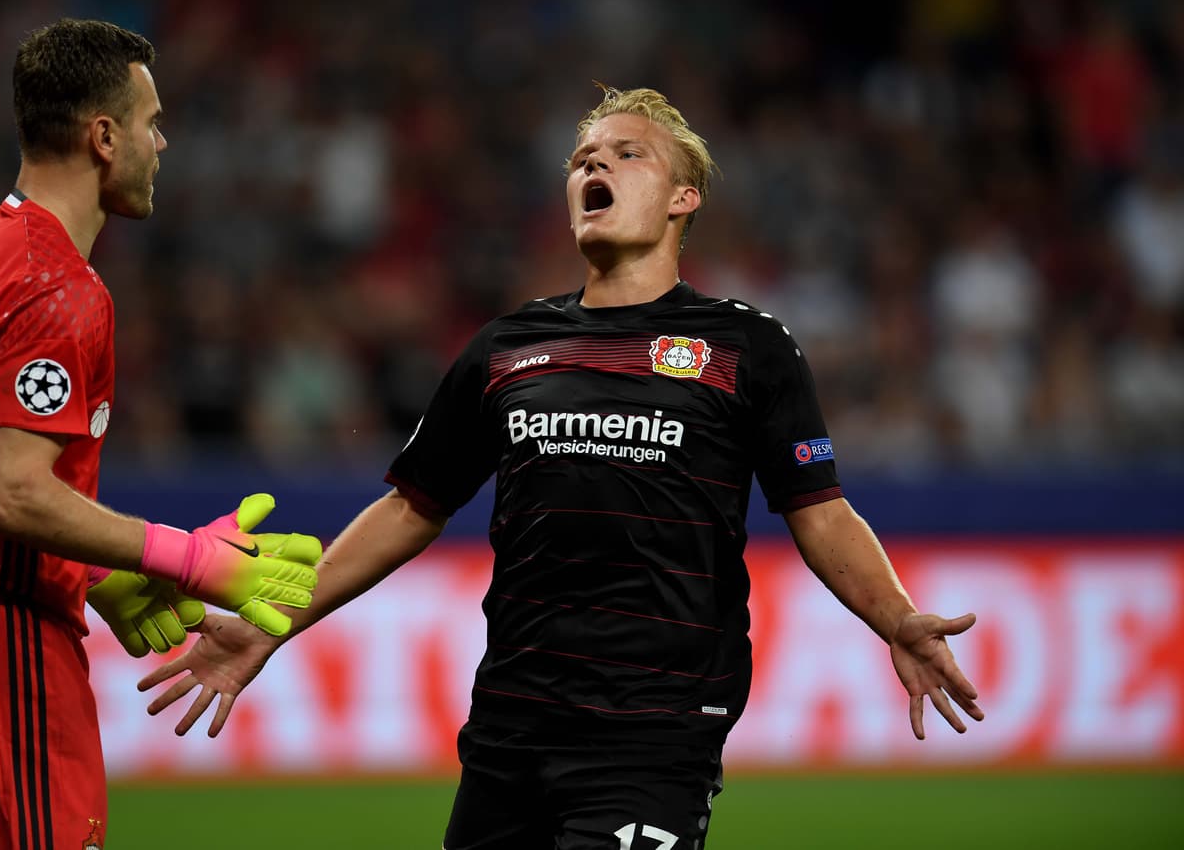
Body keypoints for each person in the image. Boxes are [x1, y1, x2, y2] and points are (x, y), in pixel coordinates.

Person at [140, 85, 984, 849]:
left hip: (655, 730)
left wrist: (896, 616)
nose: (595, 166)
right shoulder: (509, 346)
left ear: (682, 199)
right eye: (583, 157)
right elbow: (410, 508)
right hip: (512, 724)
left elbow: (821, 511)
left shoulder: (745, 346)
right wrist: (273, 620)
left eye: (626, 153)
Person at [0, 19, 320, 848]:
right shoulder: (56, 285)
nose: (160, 143)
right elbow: (12, 492)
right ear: (103, 136)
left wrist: (94, 570)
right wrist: (185, 557)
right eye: (149, 122)